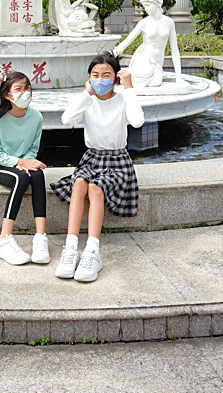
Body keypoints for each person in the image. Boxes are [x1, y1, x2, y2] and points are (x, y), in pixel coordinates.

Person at [51, 52, 144, 282]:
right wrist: (87, 93)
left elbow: (137, 121)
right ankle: (71, 248)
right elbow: (66, 119)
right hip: (91, 158)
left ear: (115, 79)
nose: (100, 79)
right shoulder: (88, 99)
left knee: (96, 187)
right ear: (89, 78)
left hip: (117, 161)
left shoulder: (123, 98)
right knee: (79, 182)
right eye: (95, 75)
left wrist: (129, 87)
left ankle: (93, 251)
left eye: (106, 75)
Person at [0, 71, 50, 266]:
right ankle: (3, 239)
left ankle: (41, 237)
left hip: (24, 163)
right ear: (8, 95)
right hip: (2, 166)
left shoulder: (36, 117)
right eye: (19, 89)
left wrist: (28, 162)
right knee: (21, 179)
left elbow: (33, 147)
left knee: (38, 175)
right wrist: (20, 163)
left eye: (27, 87)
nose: (25, 92)